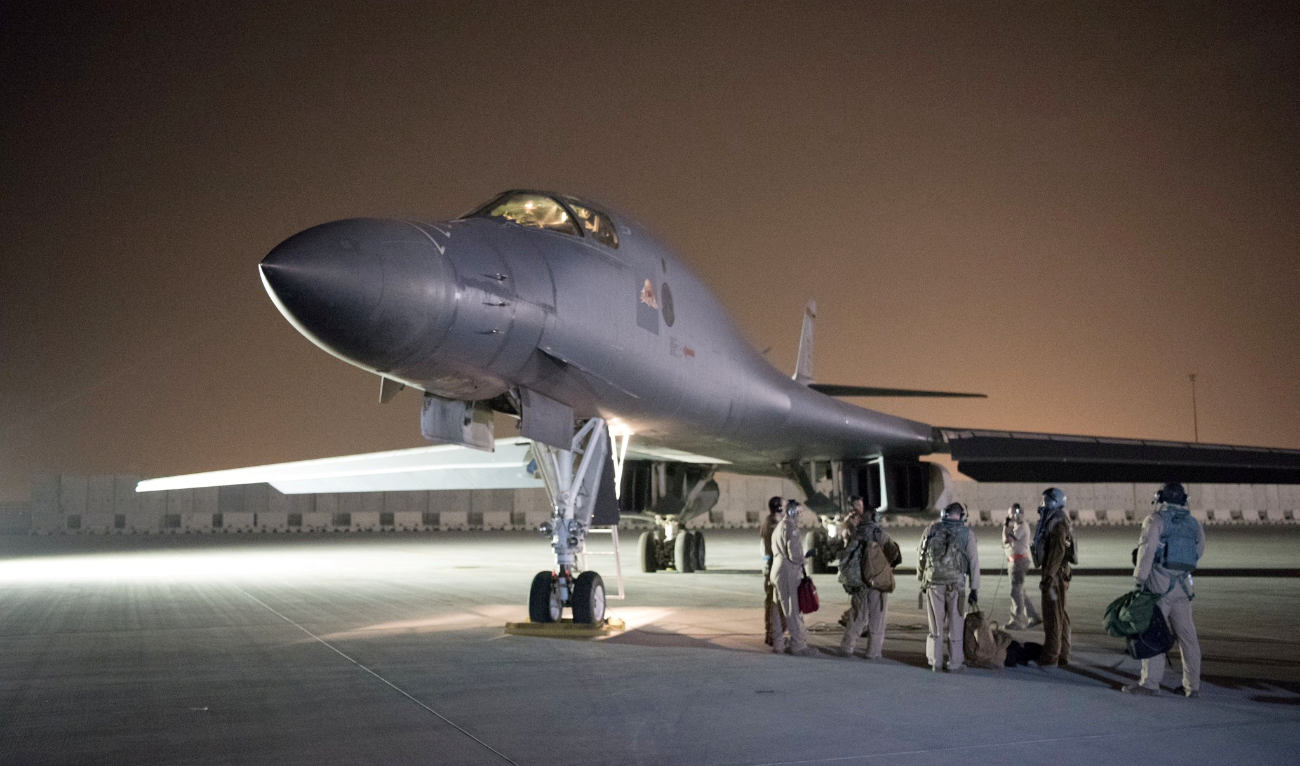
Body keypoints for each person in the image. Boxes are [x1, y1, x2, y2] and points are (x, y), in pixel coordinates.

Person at [1123, 482, 1205, 697]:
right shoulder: (1193, 523)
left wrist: (1139, 581)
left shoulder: (1155, 520)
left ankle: (1150, 683)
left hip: (1159, 584)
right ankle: (1192, 686)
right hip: (1183, 585)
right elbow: (1198, 552)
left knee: (1154, 632)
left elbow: (1146, 552)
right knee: (1188, 636)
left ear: (1160, 498)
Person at [917, 501, 980, 672]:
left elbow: (921, 556)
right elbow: (973, 562)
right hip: (956, 586)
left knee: (935, 626)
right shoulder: (967, 533)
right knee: (955, 626)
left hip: (934, 583)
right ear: (960, 516)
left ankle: (935, 662)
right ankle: (954, 663)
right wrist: (974, 588)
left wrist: (922, 578)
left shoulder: (931, 530)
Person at [838, 503, 902, 659]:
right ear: (875, 517)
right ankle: (873, 652)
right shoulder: (878, 533)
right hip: (875, 583)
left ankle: (847, 647)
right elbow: (894, 554)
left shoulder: (855, 532)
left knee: (857, 616)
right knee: (877, 618)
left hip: (858, 583)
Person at [1031, 487, 1075, 667]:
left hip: (1054, 575)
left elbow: (1058, 551)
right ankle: (1063, 653)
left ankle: (1051, 656)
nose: (1042, 504)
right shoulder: (1056, 519)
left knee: (1053, 616)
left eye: (1045, 500)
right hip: (1057, 573)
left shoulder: (1057, 522)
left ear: (1053, 501)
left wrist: (1048, 577)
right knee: (1060, 615)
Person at [769, 499, 817, 656]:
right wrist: (805, 559)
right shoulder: (791, 528)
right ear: (791, 512)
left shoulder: (778, 527)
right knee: (792, 609)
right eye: (799, 512)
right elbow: (794, 555)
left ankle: (778, 644)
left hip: (776, 570)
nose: (801, 516)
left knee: (777, 610)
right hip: (788, 572)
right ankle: (798, 646)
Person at [1002, 503, 1041, 629]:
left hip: (1019, 562)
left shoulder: (1021, 526)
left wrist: (1004, 526)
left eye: (1015, 512)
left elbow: (1006, 540)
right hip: (1015, 561)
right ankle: (1033, 616)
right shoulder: (1017, 526)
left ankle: (1017, 621)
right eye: (1011, 513)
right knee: (1020, 592)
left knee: (1015, 592)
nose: (1013, 515)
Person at [760, 496, 784, 647]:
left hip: (770, 565)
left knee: (772, 601)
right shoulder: (773, 525)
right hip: (773, 566)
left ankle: (772, 633)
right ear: (779, 508)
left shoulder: (769, 522)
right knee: (773, 602)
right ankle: (772, 634)